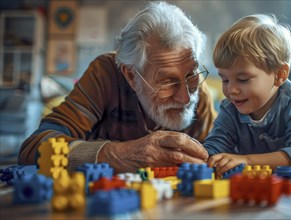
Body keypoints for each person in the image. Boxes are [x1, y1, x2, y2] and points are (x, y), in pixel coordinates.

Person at [18, 1, 217, 173]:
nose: (185, 97)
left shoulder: (197, 92)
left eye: (191, 74)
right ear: (131, 75)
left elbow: (224, 153)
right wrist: (119, 155)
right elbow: (35, 147)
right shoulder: (105, 75)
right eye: (167, 82)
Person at [204, 14, 291, 177]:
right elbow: (215, 147)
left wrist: (247, 160)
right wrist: (203, 156)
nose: (231, 90)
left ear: (280, 75)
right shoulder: (230, 108)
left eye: (243, 79)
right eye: (224, 79)